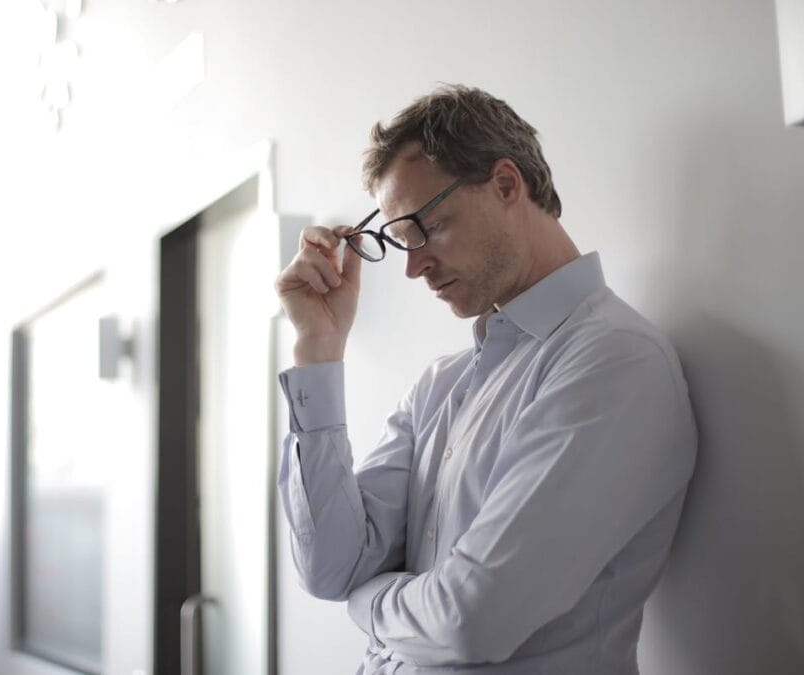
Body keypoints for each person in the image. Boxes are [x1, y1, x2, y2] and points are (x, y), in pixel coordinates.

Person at [273, 84, 697, 674]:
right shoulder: (439, 387)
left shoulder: (614, 361)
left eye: (426, 228)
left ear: (505, 185)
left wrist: (368, 602)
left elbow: (471, 620)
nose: (413, 266)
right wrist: (318, 350)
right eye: (397, 241)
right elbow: (330, 568)